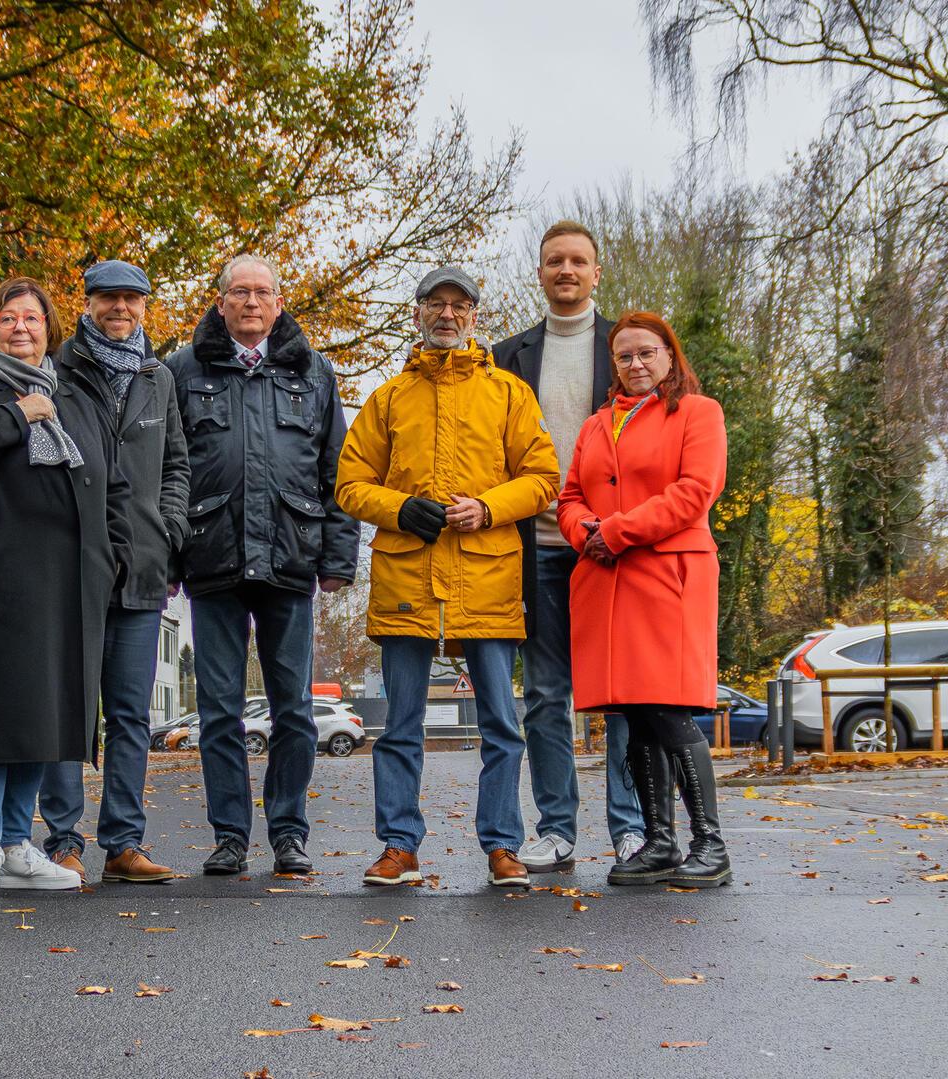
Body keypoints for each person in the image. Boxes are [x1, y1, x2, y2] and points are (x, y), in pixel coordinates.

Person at [335, 265, 559, 888]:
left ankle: (502, 845)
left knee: (500, 726)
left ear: (474, 317)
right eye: (436, 303)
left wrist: (488, 507)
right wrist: (400, 508)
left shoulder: (510, 394)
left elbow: (544, 479)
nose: (447, 314)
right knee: (399, 726)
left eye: (460, 305)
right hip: (407, 579)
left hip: (488, 579)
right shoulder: (387, 399)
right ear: (417, 313)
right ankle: (399, 846)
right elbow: (350, 485)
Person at [0, 277, 130, 898]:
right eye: (8, 318)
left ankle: (18, 846)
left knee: (42, 713)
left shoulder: (80, 400)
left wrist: (110, 557)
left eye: (32, 319)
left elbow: (111, 484)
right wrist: (16, 415)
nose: (21, 327)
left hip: (66, 585)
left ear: (49, 330)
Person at [166, 255, 359, 876]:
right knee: (219, 712)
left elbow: (338, 469)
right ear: (220, 302)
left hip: (290, 559)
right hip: (212, 557)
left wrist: (338, 557)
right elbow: (166, 471)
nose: (252, 302)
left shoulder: (313, 371)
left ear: (279, 304)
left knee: (294, 711)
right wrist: (168, 557)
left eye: (263, 293)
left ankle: (288, 833)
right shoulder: (181, 370)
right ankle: (228, 837)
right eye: (239, 292)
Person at [492, 219, 646, 873]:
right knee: (547, 693)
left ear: (596, 271)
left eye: (578, 260)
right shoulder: (507, 356)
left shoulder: (628, 348)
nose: (567, 270)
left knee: (621, 693)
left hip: (610, 545)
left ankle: (633, 827)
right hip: (536, 547)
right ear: (540, 271)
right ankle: (556, 828)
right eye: (555, 260)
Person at [556, 311, 730, 887]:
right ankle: (659, 842)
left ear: (669, 355)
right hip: (609, 581)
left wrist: (616, 532)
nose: (636, 364)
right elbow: (572, 496)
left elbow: (695, 491)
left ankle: (710, 844)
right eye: (625, 356)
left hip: (667, 576)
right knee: (633, 712)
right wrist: (587, 533)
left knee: (667, 708)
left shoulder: (698, 414)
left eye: (646, 353)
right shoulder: (596, 425)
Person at [34, 260, 190, 884]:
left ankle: (124, 843)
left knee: (132, 713)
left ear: (146, 307)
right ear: (88, 303)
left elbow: (177, 465)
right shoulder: (58, 371)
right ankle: (62, 839)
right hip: (75, 567)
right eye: (109, 298)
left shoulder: (160, 377)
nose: (120, 309)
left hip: (143, 569)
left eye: (132, 299)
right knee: (69, 706)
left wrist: (169, 528)